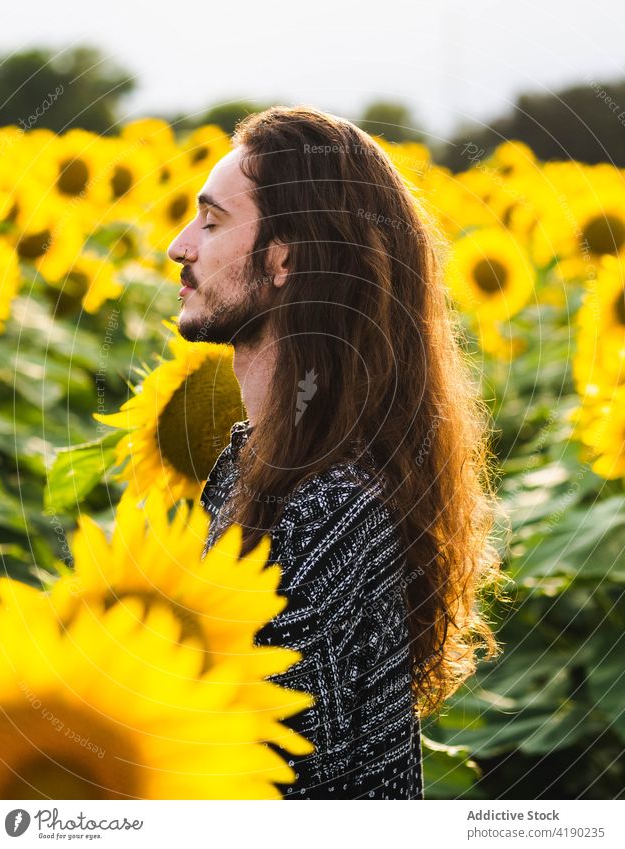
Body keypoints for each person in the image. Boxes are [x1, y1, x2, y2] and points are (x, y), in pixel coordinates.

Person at [167, 105, 502, 800]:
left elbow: (274, 784)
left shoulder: (328, 507)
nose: (179, 246)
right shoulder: (261, 466)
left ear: (285, 257)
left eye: (211, 221)